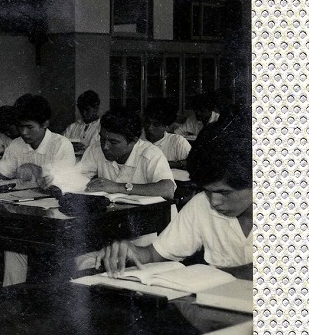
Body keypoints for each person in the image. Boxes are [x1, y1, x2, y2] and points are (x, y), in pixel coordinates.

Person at [96, 117, 252, 278]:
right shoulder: (201, 204)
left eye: (225, 193)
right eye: (207, 191)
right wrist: (132, 251)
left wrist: (212, 274)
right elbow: (154, 254)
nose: (214, 201)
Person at [0, 95, 77, 285]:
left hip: (52, 216)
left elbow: (63, 185)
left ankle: (15, 288)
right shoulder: (16, 145)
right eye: (20, 126)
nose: (23, 132)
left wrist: (37, 170)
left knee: (14, 241)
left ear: (45, 124)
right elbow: (2, 172)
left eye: (29, 127)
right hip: (22, 211)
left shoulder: (61, 145)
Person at [78, 107, 176, 201]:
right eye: (102, 138)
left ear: (133, 141)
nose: (105, 146)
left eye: (113, 142)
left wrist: (118, 187)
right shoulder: (96, 148)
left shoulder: (150, 153)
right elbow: (77, 177)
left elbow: (167, 190)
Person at [142, 99, 192, 170]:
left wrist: (169, 164)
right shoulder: (135, 141)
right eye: (147, 122)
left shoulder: (178, 142)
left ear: (166, 126)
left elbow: (192, 163)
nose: (150, 128)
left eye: (156, 124)